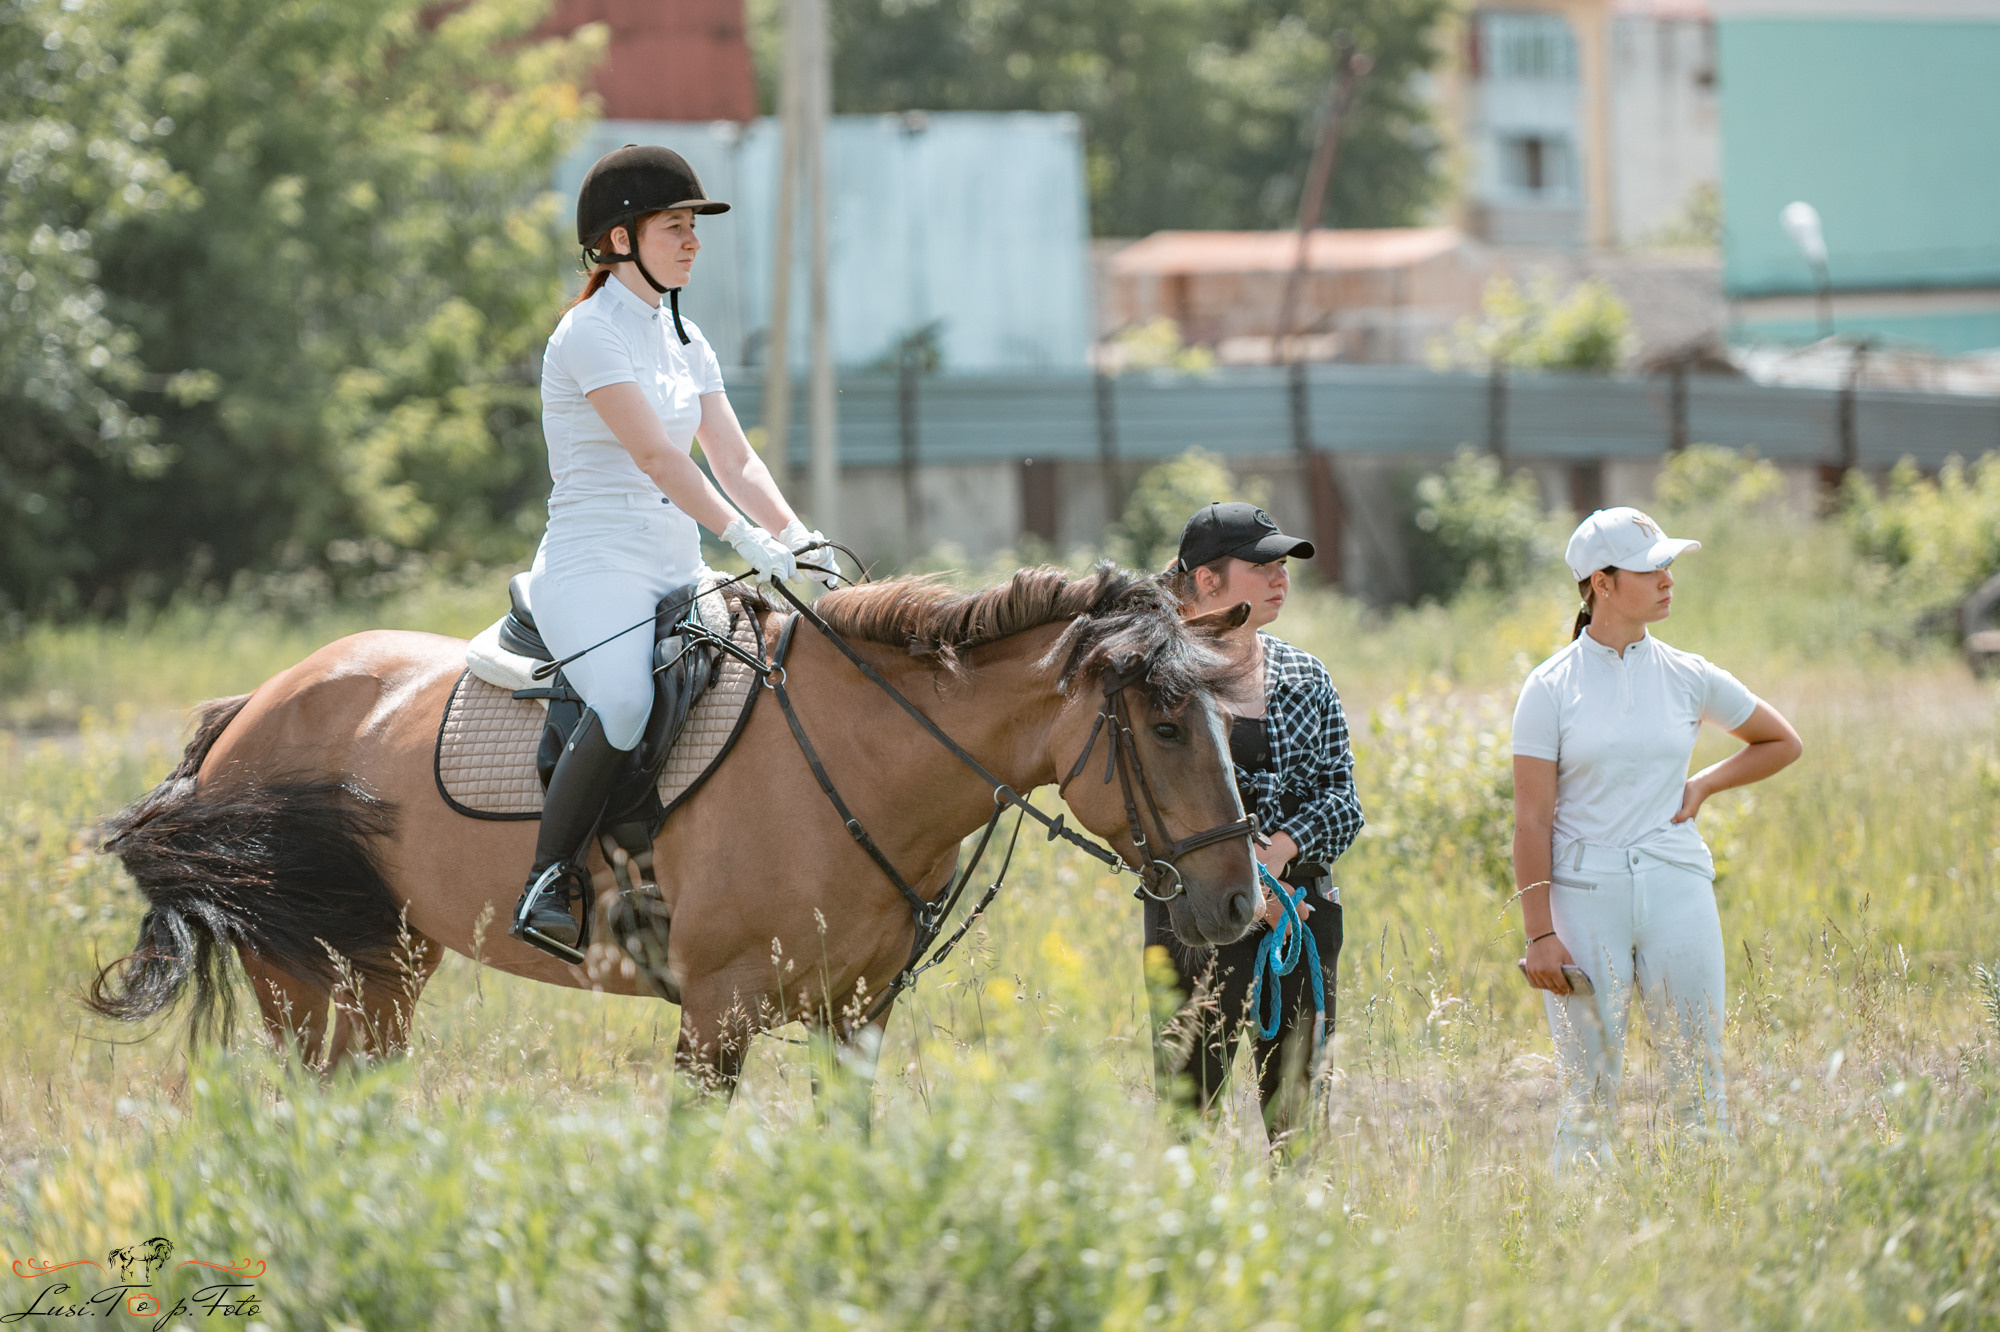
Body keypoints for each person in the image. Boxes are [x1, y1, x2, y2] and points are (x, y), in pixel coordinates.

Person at [513, 144, 837, 957]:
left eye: (694, 226)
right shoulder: (585, 335)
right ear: (620, 239)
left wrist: (798, 537)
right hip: (595, 565)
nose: (693, 241)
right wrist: (742, 537)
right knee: (623, 701)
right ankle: (549, 878)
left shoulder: (685, 339)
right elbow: (659, 457)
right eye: (675, 226)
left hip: (675, 564)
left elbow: (736, 459)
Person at [1511, 506, 1801, 1171]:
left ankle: (1713, 1224)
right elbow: (1531, 821)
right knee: (1589, 1092)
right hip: (1584, 895)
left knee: (1699, 1080)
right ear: (1601, 583)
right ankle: (1580, 1244)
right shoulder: (1550, 688)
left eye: (1669, 564)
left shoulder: (1688, 673)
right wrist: (1538, 934)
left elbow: (1782, 741)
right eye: (1650, 568)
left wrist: (1702, 787)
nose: (1668, 579)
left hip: (1677, 887)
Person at [1147, 502, 1364, 1127]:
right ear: (1207, 580)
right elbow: (1150, 811)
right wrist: (1249, 881)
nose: (1280, 579)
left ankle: (1296, 1224)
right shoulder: (1162, 683)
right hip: (1195, 920)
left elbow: (1342, 801)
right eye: (1262, 564)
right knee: (1188, 1115)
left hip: (1302, 914)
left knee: (1297, 1119)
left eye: (1284, 566)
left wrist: (1280, 859)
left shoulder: (1306, 674)